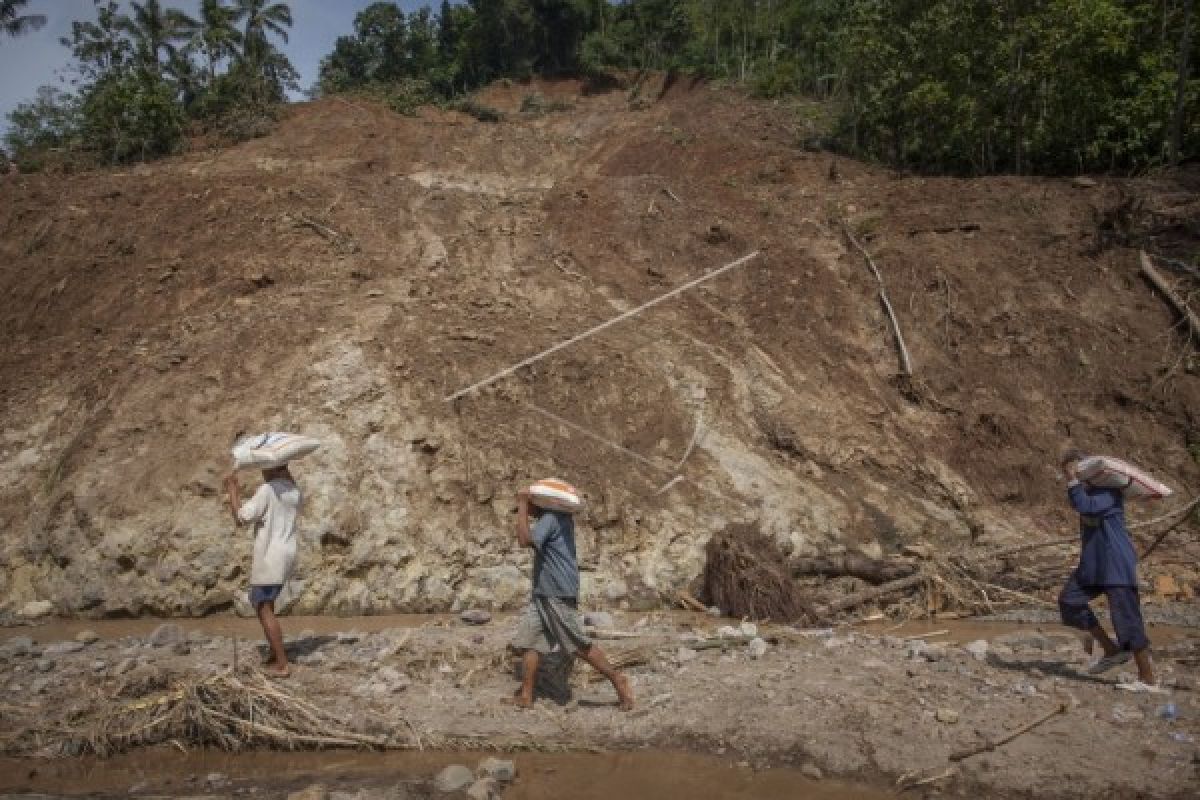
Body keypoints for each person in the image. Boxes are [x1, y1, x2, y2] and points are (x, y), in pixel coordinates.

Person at [510, 487, 634, 711]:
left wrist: (521, 505)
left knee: (577, 645)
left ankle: (618, 680)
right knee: (530, 643)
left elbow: (524, 540)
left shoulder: (550, 518)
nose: (527, 513)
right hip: (543, 592)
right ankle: (526, 695)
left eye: (530, 507)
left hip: (556, 592)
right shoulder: (559, 518)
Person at [1057, 449, 1160, 691]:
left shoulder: (1109, 493)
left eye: (1074, 469)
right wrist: (1074, 484)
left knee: (1127, 619)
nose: (1072, 474)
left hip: (1116, 564)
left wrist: (1072, 481)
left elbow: (1086, 507)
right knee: (1069, 600)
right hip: (1093, 565)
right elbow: (1080, 503)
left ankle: (1147, 679)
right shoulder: (1088, 492)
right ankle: (1111, 649)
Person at [224, 464, 302, 678]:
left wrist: (232, 490)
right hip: (286, 553)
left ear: (270, 468)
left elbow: (242, 518)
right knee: (268, 604)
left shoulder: (268, 490)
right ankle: (275, 654)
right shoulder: (293, 490)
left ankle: (281, 664)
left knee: (262, 606)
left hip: (270, 556)